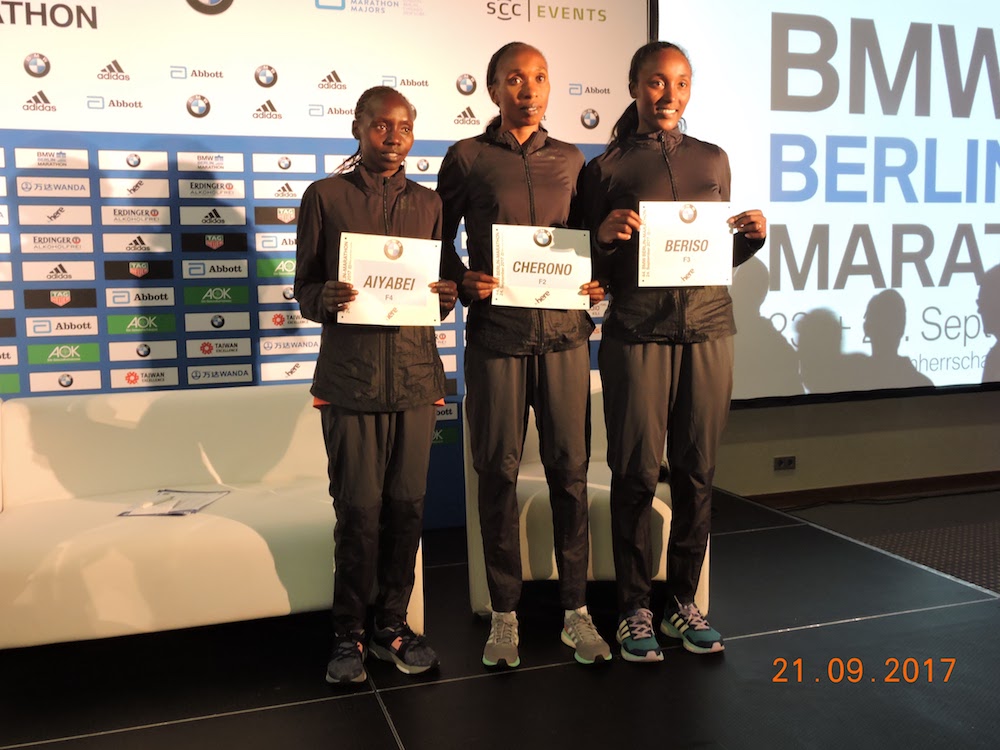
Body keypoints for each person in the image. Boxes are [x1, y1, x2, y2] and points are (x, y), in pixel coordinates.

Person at [578, 41, 767, 662]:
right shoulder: (604, 169)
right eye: (657, 82)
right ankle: (634, 608)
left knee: (697, 470)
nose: (670, 94)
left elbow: (712, 258)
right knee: (635, 471)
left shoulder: (713, 158)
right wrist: (604, 239)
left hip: (709, 328)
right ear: (634, 85)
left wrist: (749, 242)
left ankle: (682, 602)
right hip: (637, 329)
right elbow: (589, 265)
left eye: (681, 83)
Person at [437, 41, 611, 668]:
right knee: (497, 473)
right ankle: (504, 613)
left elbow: (590, 243)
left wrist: (597, 281)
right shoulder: (467, 157)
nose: (529, 89)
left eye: (539, 77)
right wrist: (463, 280)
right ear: (493, 89)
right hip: (496, 339)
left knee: (570, 472)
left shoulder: (571, 159)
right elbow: (436, 240)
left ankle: (575, 610)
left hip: (565, 338)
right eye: (515, 78)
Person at [294, 86, 458, 685]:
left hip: (415, 380)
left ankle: (392, 624)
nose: (393, 137)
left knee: (406, 512)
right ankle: (348, 634)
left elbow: (437, 290)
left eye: (405, 127)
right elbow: (304, 289)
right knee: (358, 514)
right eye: (381, 126)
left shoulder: (430, 204)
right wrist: (324, 297)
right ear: (358, 128)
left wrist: (446, 295)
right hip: (351, 382)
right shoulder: (325, 196)